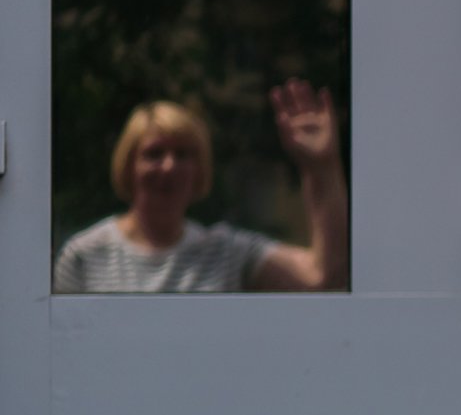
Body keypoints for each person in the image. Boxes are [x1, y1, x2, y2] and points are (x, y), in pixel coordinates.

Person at [53, 83, 350, 293]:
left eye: (183, 155)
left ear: (200, 171)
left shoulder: (227, 252)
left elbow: (323, 275)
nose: (169, 166)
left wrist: (322, 167)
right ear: (127, 165)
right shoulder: (84, 255)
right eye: (154, 153)